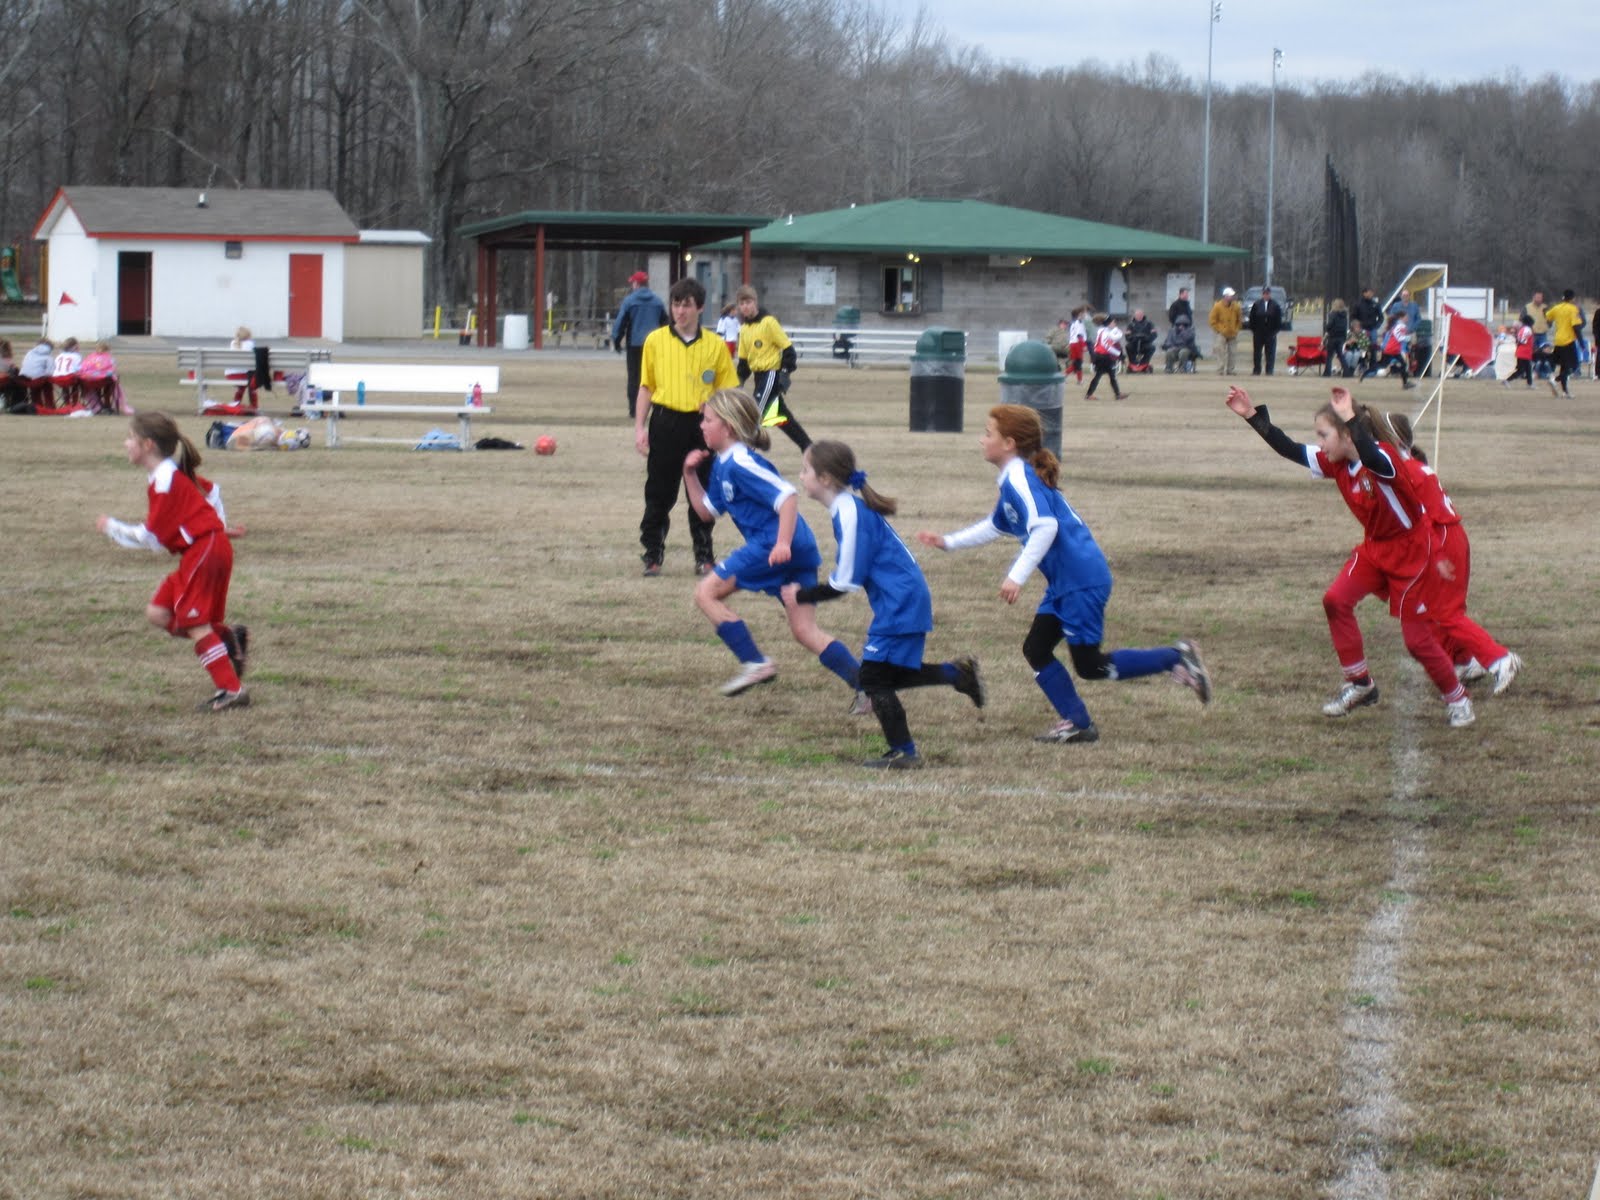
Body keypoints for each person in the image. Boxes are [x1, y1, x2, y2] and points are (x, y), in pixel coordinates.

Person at [914, 404, 1211, 743]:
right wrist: (948, 542)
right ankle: (1077, 722)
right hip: (1066, 583)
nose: (982, 440)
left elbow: (1045, 527)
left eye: (988, 433)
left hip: (1081, 581)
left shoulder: (1020, 478)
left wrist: (1016, 576)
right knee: (1036, 649)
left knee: (1090, 665)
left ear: (1009, 442)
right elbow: (997, 525)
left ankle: (1177, 657)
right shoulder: (1015, 479)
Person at [1223, 383, 1475, 728]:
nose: (1320, 443)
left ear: (1346, 436)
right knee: (1335, 600)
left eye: (1324, 435)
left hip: (1412, 555)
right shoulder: (1337, 463)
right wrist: (1252, 416)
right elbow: (1290, 449)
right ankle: (1360, 684)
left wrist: (1351, 419)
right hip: (1375, 549)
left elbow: (1369, 456)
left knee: (1417, 642)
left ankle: (1457, 698)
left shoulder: (1383, 458)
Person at [784, 439, 986, 768]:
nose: (801, 475)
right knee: (887, 676)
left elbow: (844, 581)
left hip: (901, 601)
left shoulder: (850, 514)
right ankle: (956, 675)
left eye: (805, 470)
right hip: (903, 597)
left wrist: (801, 596)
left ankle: (904, 752)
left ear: (825, 479)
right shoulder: (847, 509)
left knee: (874, 680)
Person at [681, 389, 861, 702]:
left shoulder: (740, 462)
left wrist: (781, 543)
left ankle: (755, 662)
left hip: (775, 545)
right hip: (796, 546)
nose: (702, 426)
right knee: (805, 631)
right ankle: (867, 689)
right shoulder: (724, 464)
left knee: (705, 593)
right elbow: (705, 512)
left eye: (708, 420)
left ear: (729, 427)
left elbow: (787, 496)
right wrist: (689, 473)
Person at [95, 411, 251, 712]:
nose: (125, 443)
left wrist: (112, 527)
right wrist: (216, 524)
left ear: (147, 445)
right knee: (158, 613)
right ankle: (228, 641)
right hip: (200, 550)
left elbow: (151, 538)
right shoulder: (164, 476)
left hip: (203, 551)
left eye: (130, 438)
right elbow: (210, 492)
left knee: (194, 622)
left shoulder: (165, 481)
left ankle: (231, 690)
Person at [1387, 413, 1521, 695]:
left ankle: (1500, 660)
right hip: (1447, 536)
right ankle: (1464, 661)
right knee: (1430, 611)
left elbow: (1419, 518)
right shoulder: (1409, 467)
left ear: (1394, 441)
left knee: (1446, 612)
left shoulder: (1405, 472)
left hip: (1442, 538)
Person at [635, 277, 738, 577]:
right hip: (665, 422)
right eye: (676, 304)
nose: (680, 311)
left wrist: (722, 419)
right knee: (659, 492)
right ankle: (652, 553)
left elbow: (728, 390)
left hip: (701, 427)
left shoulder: (715, 346)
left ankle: (704, 556)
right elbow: (646, 387)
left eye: (686, 305)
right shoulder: (655, 341)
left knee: (704, 492)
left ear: (700, 308)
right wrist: (639, 428)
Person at [734, 284, 809, 451]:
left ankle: (745, 453)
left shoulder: (768, 322)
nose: (745, 306)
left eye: (748, 302)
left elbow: (789, 351)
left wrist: (784, 373)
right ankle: (808, 446)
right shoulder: (745, 329)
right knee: (778, 416)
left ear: (755, 302)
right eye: (742, 303)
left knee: (754, 412)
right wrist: (737, 382)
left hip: (771, 375)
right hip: (759, 377)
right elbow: (744, 364)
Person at [611, 270, 668, 418]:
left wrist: (616, 340)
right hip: (654, 345)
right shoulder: (657, 301)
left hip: (634, 344)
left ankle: (634, 410)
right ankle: (657, 409)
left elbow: (620, 322)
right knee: (655, 378)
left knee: (635, 378)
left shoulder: (630, 301)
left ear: (636, 284)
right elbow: (665, 323)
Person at [1544, 289, 1581, 398]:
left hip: (1558, 340)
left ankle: (1565, 392)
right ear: (1573, 298)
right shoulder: (1573, 309)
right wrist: (1581, 342)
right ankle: (1554, 380)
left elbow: (1547, 316)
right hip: (1568, 341)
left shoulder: (1557, 307)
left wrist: (1549, 321)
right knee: (1574, 366)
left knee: (1564, 367)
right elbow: (1576, 326)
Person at [1083, 313, 1128, 400]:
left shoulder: (1102, 330)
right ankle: (1117, 394)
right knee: (1108, 375)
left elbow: (1115, 338)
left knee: (1104, 375)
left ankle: (1117, 394)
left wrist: (1116, 330)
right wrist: (1118, 354)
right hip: (1103, 356)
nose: (1114, 324)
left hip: (1100, 356)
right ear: (1108, 323)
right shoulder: (1105, 332)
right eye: (1113, 322)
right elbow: (1106, 345)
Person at [1247, 287, 1284, 376]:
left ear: (1270, 294)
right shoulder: (1256, 304)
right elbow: (1252, 319)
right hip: (1258, 333)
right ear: (1262, 294)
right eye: (1264, 293)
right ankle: (1256, 370)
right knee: (1257, 353)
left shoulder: (1275, 305)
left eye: (1267, 293)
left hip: (1270, 333)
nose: (1266, 295)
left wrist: (1275, 332)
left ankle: (1269, 370)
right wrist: (1254, 330)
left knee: (1270, 353)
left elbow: (1278, 320)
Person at [78, 340, 122, 412]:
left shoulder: (90, 357)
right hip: (104, 380)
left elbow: (83, 367)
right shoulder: (109, 358)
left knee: (96, 388)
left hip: (90, 380)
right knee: (108, 385)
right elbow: (113, 369)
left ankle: (97, 404)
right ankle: (107, 404)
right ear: (107, 350)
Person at [1377, 312, 1416, 388]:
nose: (1407, 319)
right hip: (1392, 349)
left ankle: (1405, 383)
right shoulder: (1400, 326)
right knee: (1399, 364)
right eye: (1406, 317)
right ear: (1401, 318)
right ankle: (1405, 383)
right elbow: (1399, 337)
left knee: (1402, 364)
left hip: (1393, 349)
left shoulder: (1397, 325)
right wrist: (1409, 338)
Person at [1209, 287, 1242, 375]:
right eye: (1230, 295)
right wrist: (1219, 330)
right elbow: (1212, 321)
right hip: (1222, 333)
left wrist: (1236, 329)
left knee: (1233, 352)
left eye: (1232, 295)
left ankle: (1230, 370)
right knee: (1220, 351)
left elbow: (1239, 319)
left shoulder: (1237, 306)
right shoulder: (1217, 306)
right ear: (1225, 296)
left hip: (1233, 333)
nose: (1232, 297)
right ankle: (1220, 369)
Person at [20, 336, 54, 407]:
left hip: (25, 379)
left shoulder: (29, 353)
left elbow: (24, 365)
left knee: (36, 383)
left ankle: (36, 404)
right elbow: (50, 372)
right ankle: (50, 405)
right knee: (47, 382)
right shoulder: (48, 357)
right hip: (38, 381)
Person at [1502, 313, 1535, 388]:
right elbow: (1523, 340)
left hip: (1522, 352)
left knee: (1528, 368)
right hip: (1524, 352)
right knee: (1522, 370)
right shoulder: (1527, 329)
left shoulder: (1522, 329)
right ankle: (1507, 380)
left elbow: (1519, 339)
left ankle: (1530, 384)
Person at [227, 326, 257, 407]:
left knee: (243, 385)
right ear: (248, 336)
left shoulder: (233, 343)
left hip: (230, 375)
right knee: (253, 379)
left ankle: (236, 403)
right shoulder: (250, 344)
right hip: (244, 375)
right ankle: (254, 405)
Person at [51, 337, 84, 408]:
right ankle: (75, 403)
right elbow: (79, 369)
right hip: (69, 378)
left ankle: (67, 404)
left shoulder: (59, 356)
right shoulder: (76, 356)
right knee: (77, 383)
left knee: (65, 387)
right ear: (75, 346)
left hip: (56, 378)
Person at [1323, 299, 1349, 377]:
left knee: (1329, 356)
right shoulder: (1345, 315)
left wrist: (1326, 328)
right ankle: (1347, 372)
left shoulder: (1333, 314)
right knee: (1341, 355)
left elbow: (1330, 324)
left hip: (1333, 337)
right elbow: (1345, 327)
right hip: (1341, 337)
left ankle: (1327, 372)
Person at [1, 339, 27, 413]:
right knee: (18, 384)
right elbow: (11, 369)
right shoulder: (6, 357)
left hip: (4, 380)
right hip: (4, 381)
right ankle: (16, 404)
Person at [1065, 307, 1089, 383]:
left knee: (1077, 363)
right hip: (1077, 343)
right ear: (1080, 314)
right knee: (1078, 362)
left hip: (1073, 343)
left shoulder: (1076, 322)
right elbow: (1079, 335)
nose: (1086, 315)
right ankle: (1079, 380)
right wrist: (1084, 345)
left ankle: (1078, 379)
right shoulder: (1078, 323)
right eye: (1084, 313)